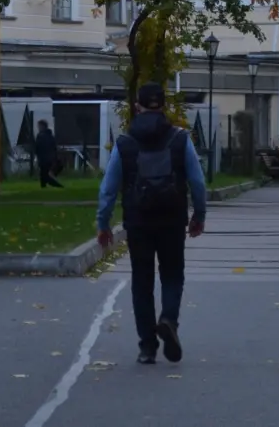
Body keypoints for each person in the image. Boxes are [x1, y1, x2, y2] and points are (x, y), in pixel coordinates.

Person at [97, 83, 206, 366]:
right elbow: (197, 181)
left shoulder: (125, 142)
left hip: (138, 221)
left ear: (137, 107)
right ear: (164, 107)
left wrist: (103, 223)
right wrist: (199, 215)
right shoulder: (180, 139)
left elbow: (108, 188)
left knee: (142, 282)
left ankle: (147, 347)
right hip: (172, 219)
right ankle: (168, 319)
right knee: (172, 274)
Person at [34, 119, 64, 188]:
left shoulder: (40, 136)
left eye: (39, 126)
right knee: (44, 174)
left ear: (43, 126)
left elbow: (38, 147)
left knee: (44, 174)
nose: (38, 128)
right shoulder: (50, 135)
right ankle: (44, 186)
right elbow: (54, 146)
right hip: (50, 157)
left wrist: (37, 153)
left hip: (44, 158)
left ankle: (56, 186)